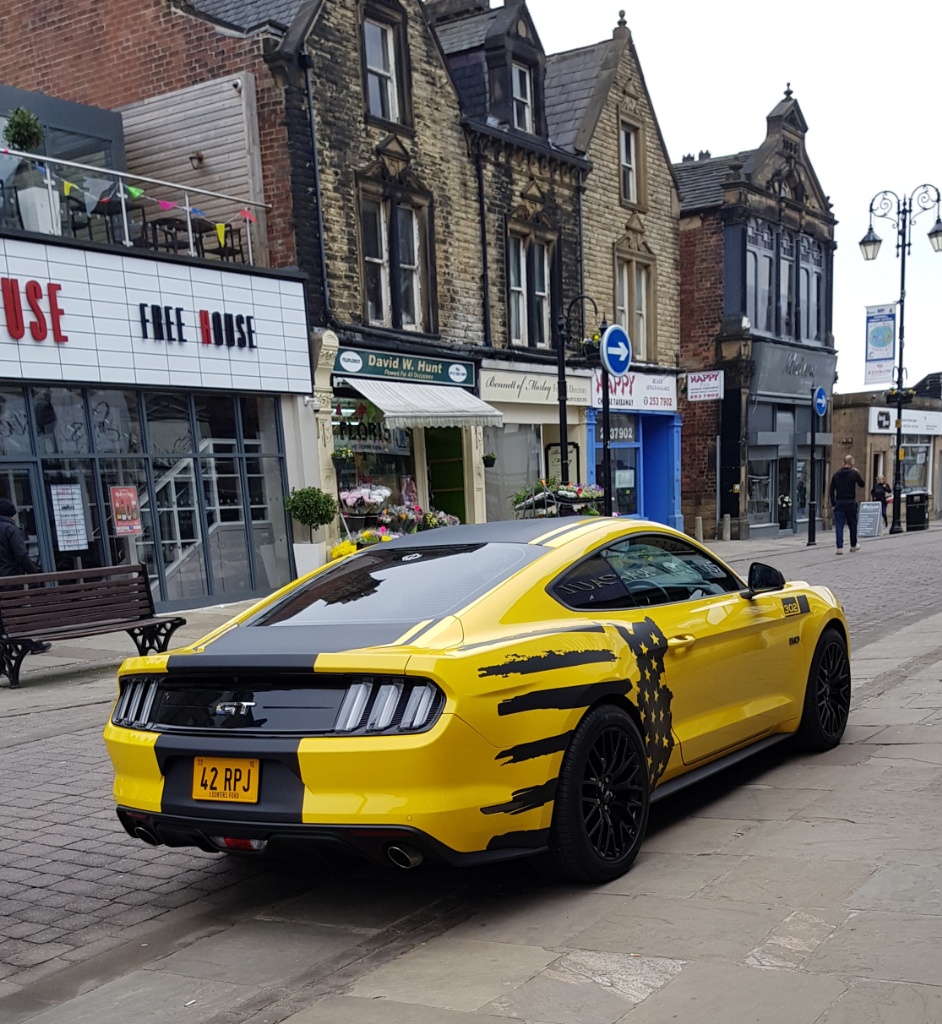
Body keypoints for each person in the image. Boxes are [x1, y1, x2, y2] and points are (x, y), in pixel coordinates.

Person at [0, 498, 51, 655]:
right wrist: (33, 575)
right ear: (11, 515)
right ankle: (29, 644)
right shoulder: (10, 529)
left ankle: (5, 653)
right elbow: (21, 555)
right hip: (10, 580)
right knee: (18, 614)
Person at [829, 455, 866, 554]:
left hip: (839, 502)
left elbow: (831, 490)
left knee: (839, 525)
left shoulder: (836, 475)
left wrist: (833, 503)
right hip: (850, 501)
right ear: (852, 463)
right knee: (852, 524)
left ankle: (839, 547)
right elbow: (862, 484)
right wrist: (858, 473)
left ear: (844, 462)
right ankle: (853, 546)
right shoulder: (854, 474)